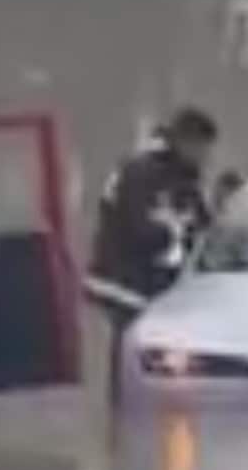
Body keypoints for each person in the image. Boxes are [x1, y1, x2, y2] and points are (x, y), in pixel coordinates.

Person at [86, 107, 219, 400]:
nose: (204, 157)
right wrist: (178, 238)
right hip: (124, 280)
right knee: (133, 344)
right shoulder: (143, 172)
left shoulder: (181, 176)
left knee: (149, 345)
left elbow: (201, 223)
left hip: (149, 282)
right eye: (201, 148)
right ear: (184, 141)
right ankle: (125, 407)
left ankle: (144, 400)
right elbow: (142, 226)